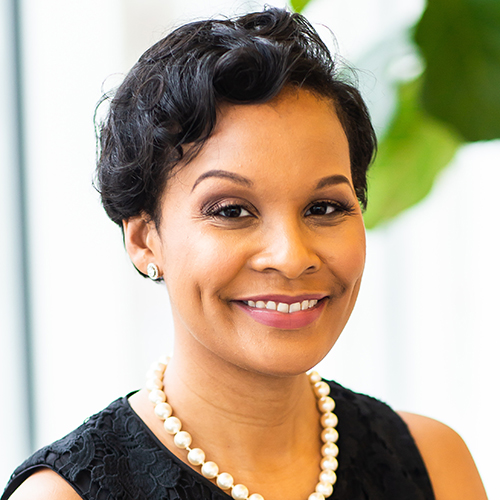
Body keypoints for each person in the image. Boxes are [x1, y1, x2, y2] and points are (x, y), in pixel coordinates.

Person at [2, 7, 487, 500]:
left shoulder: (434, 464)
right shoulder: (64, 496)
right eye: (232, 211)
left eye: (324, 206)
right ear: (145, 238)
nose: (291, 256)